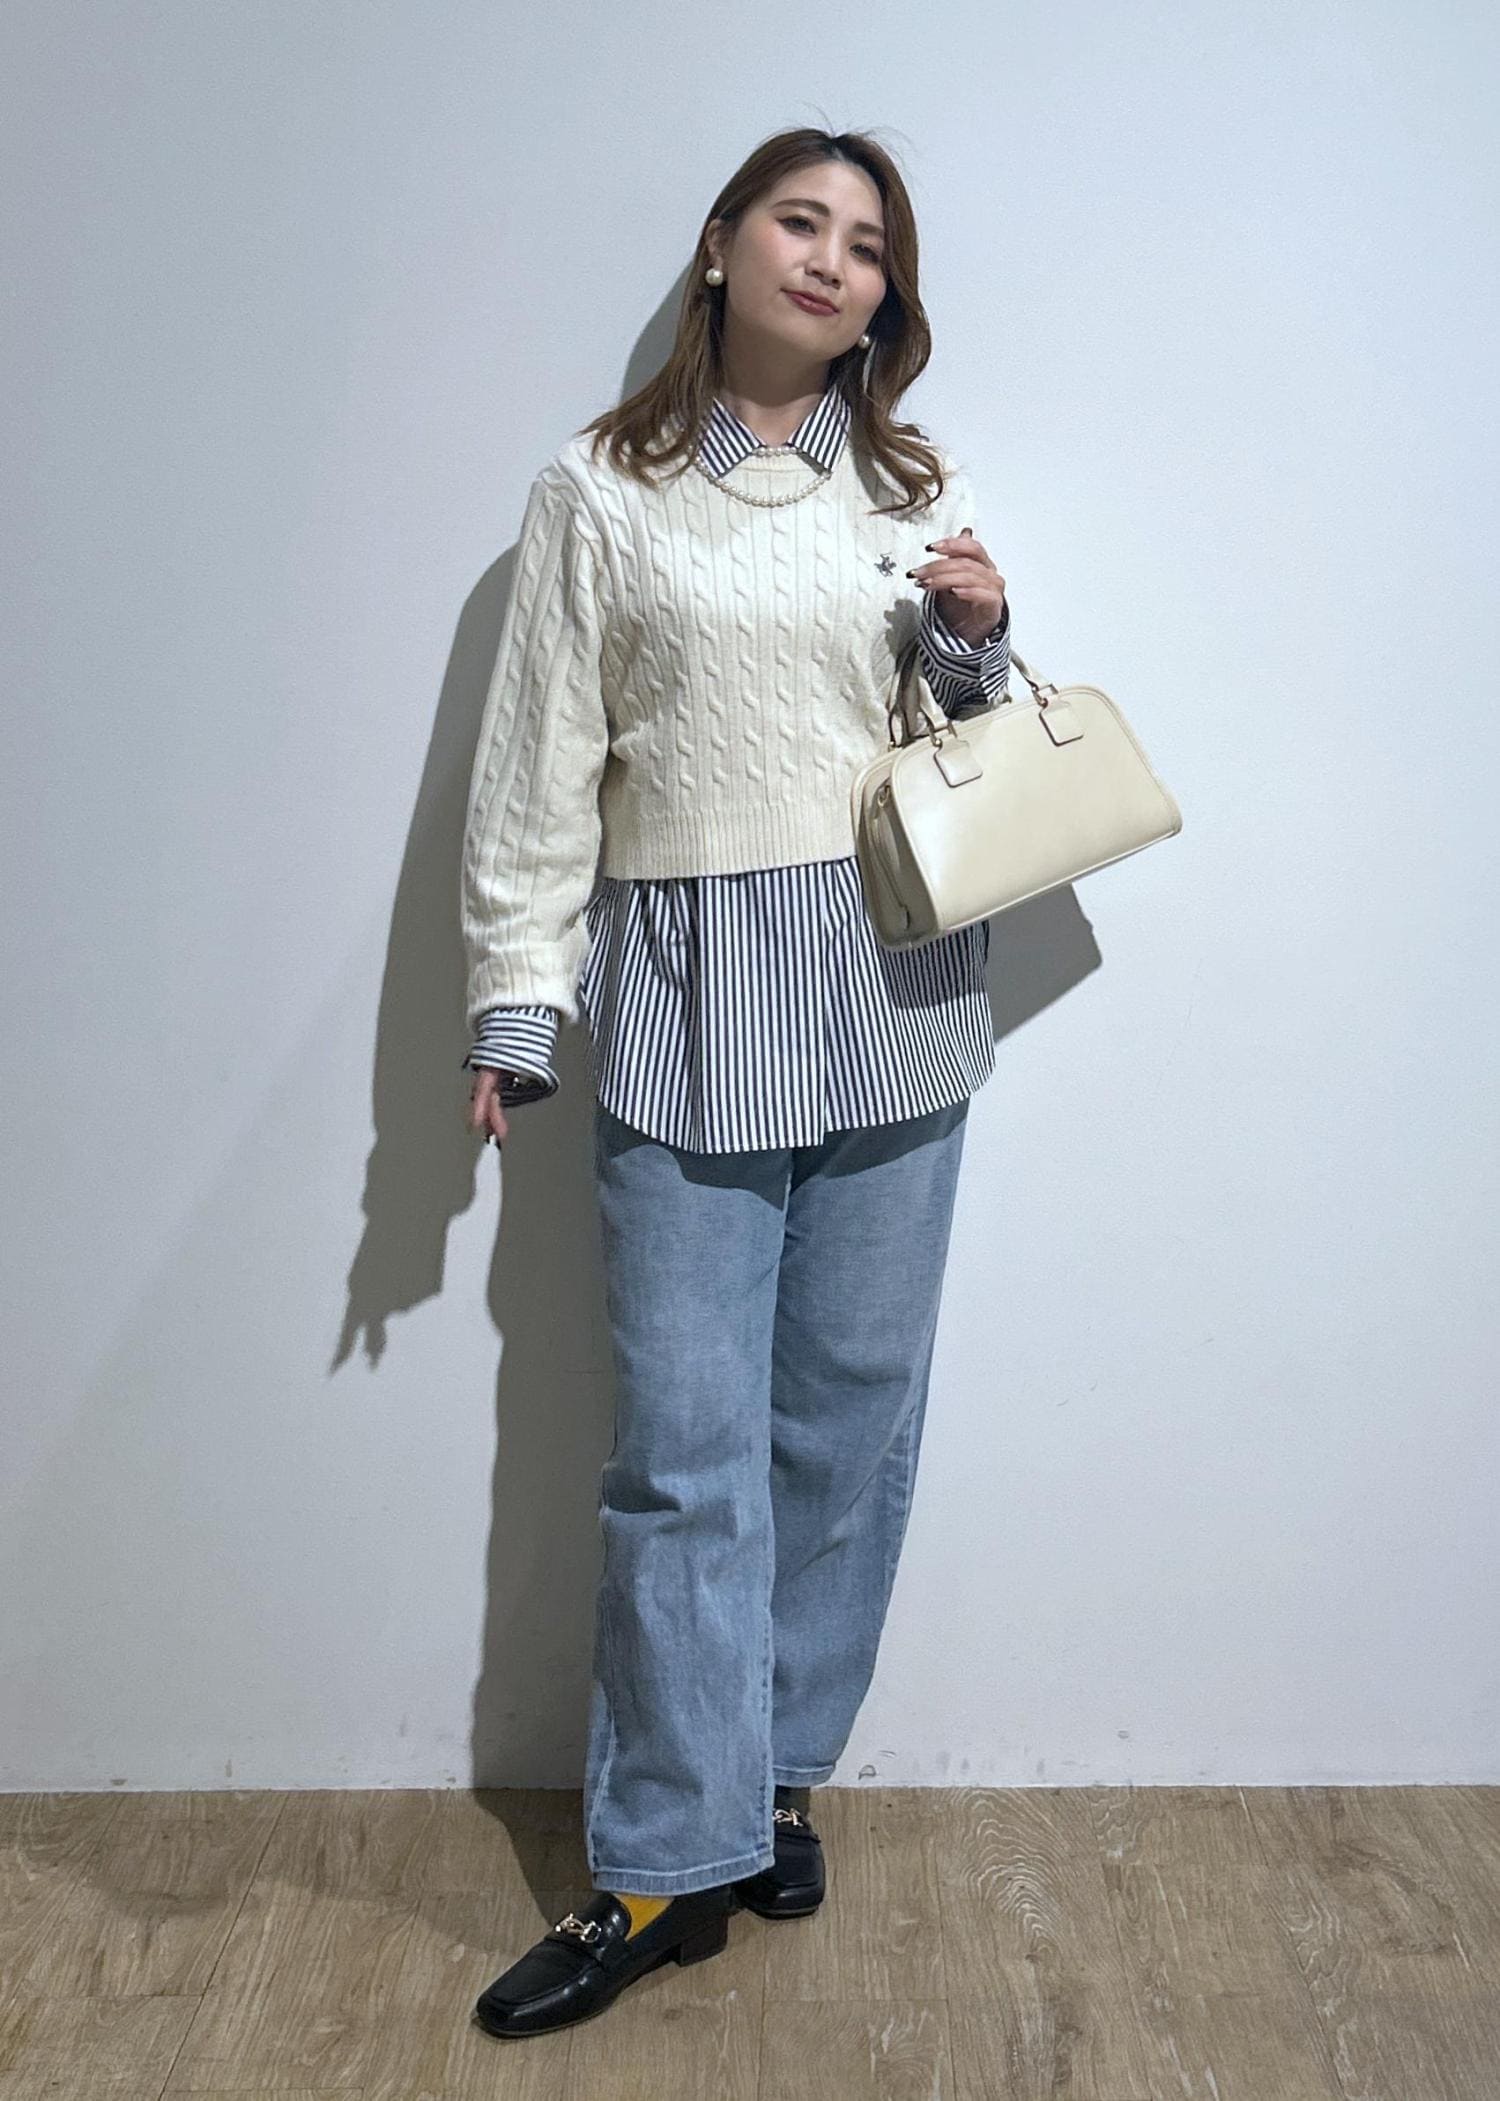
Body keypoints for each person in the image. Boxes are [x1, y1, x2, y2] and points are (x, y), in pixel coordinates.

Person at [460, 124, 1010, 2042]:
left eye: (867, 243)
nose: (831, 258)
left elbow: (955, 743)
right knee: (683, 1452)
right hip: (695, 1000)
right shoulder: (596, 491)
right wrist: (514, 1005)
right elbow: (540, 763)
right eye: (800, 219)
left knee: (846, 1419)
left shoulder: (907, 483)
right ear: (720, 246)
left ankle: (771, 1775)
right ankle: (653, 1863)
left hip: (898, 984)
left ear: (883, 298)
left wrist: (974, 640)